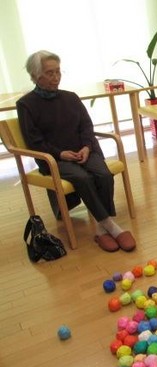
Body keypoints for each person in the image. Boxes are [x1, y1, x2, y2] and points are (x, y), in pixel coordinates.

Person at [16, 50, 136, 252]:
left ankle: (100, 229)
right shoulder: (26, 104)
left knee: (103, 174)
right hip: (54, 159)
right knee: (83, 178)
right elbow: (34, 141)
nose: (56, 77)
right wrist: (60, 153)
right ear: (36, 76)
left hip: (83, 151)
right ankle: (111, 227)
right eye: (50, 73)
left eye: (58, 72)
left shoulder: (71, 98)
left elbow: (86, 127)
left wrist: (87, 147)